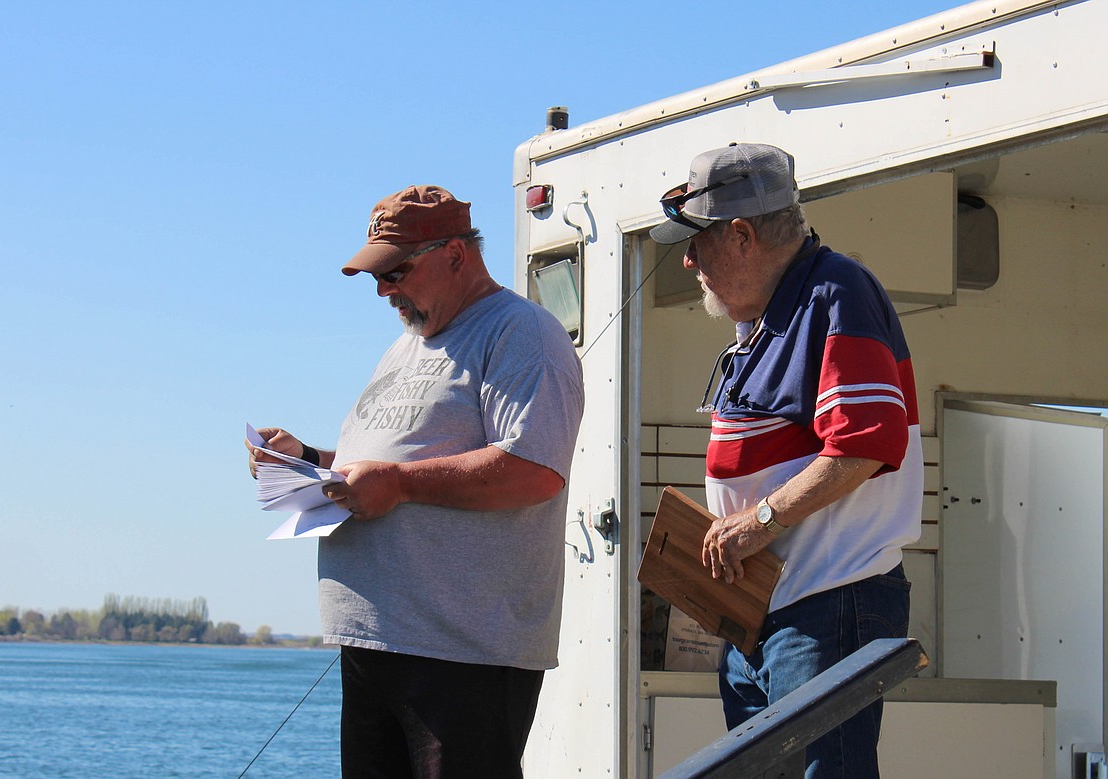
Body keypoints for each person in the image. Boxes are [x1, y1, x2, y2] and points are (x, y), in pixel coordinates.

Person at [247, 184, 584, 779]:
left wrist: (398, 483)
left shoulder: (521, 333)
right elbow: (382, 463)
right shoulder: (405, 348)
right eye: (377, 277)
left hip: (463, 652)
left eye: (396, 271)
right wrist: (308, 460)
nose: (384, 290)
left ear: (456, 255)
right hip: (377, 643)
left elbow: (533, 471)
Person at [650, 143, 922, 778]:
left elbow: (866, 443)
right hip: (767, 610)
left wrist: (758, 521)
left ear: (742, 234)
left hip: (829, 601)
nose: (688, 259)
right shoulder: (769, 315)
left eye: (698, 240)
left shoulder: (836, 291)